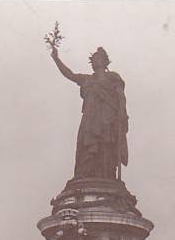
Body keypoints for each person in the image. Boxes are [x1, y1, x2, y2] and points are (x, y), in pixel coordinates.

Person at [51, 45, 128, 180]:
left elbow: (121, 96)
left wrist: (122, 112)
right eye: (94, 59)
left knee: (106, 144)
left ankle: (106, 175)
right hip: (90, 118)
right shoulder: (87, 79)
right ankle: (85, 173)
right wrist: (57, 59)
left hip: (108, 117)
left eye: (99, 58)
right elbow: (70, 75)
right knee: (87, 144)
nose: (96, 61)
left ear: (105, 61)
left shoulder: (113, 77)